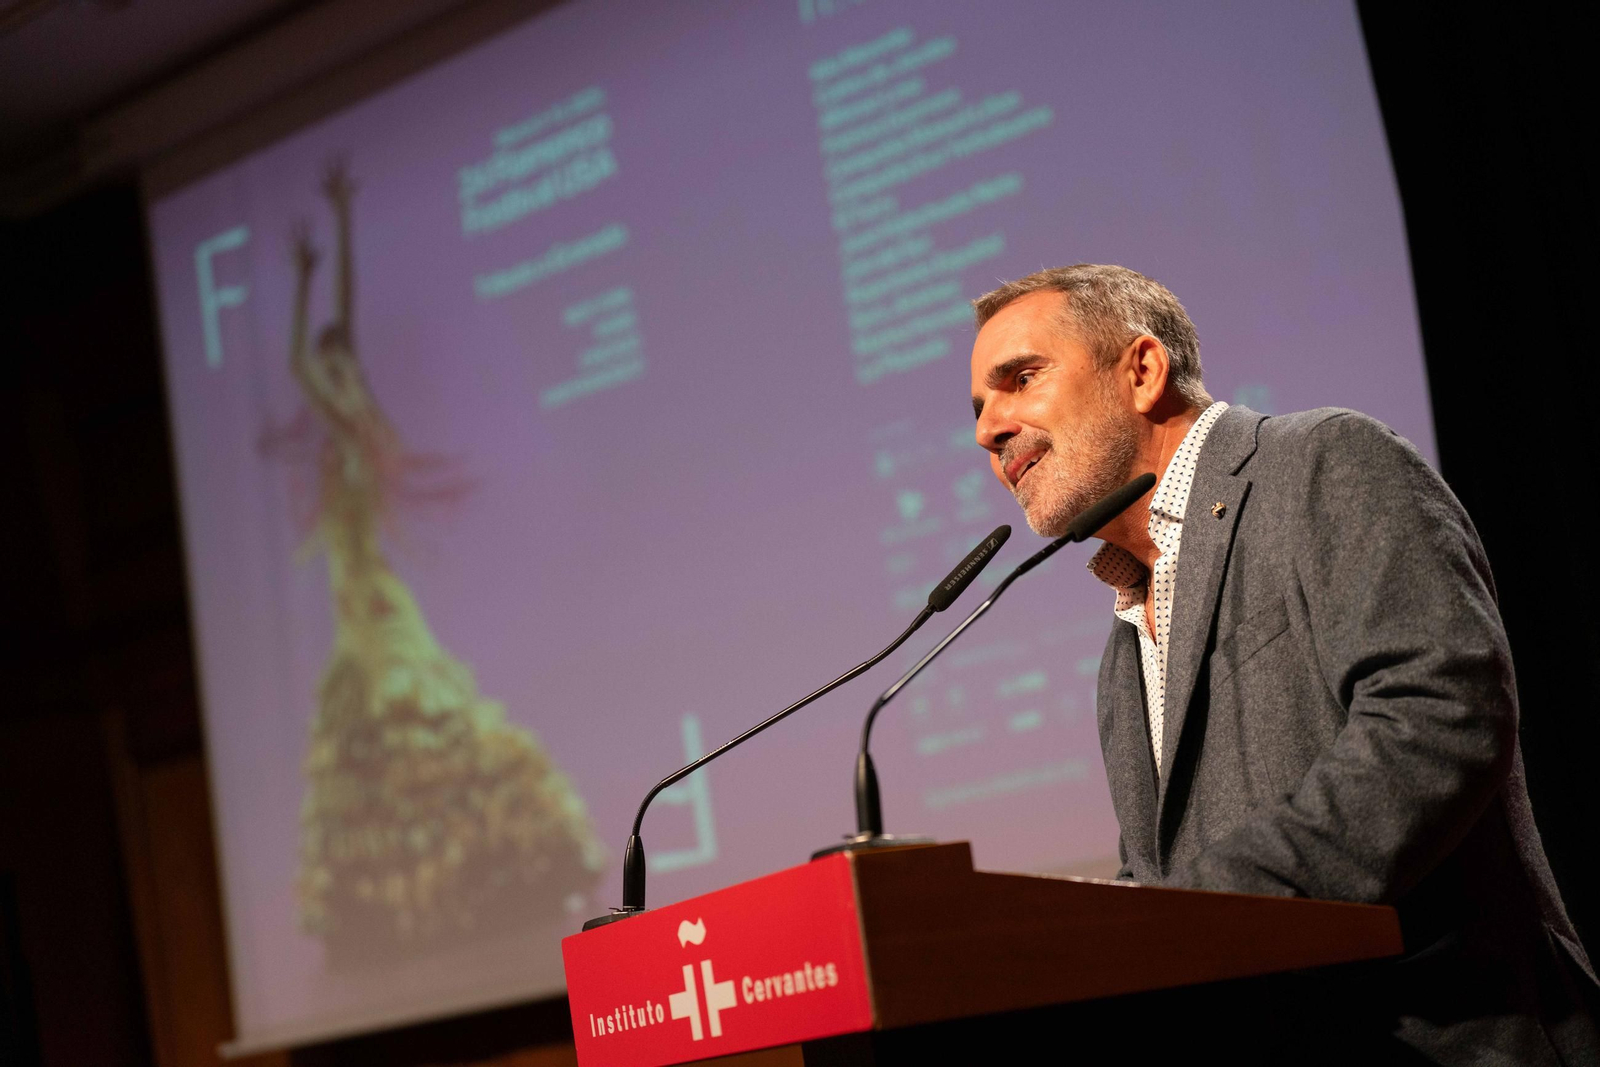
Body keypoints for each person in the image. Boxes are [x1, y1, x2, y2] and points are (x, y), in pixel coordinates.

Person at [967, 264, 1598, 1062]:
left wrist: (1209, 916)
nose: (989, 429)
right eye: (981, 408)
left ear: (1142, 370)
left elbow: (1440, 712)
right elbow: (1158, 876)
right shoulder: (1121, 649)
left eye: (1020, 379)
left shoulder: (1325, 461)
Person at [285, 163, 604, 965]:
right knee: (389, 723)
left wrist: (344, 219)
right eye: (331, 369)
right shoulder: (332, 413)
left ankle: (511, 864)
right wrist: (302, 280)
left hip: (380, 592)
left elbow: (342, 317)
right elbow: (301, 354)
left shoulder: (358, 415)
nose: (339, 372)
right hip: (360, 592)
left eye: (343, 364)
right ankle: (401, 906)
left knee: (438, 717)